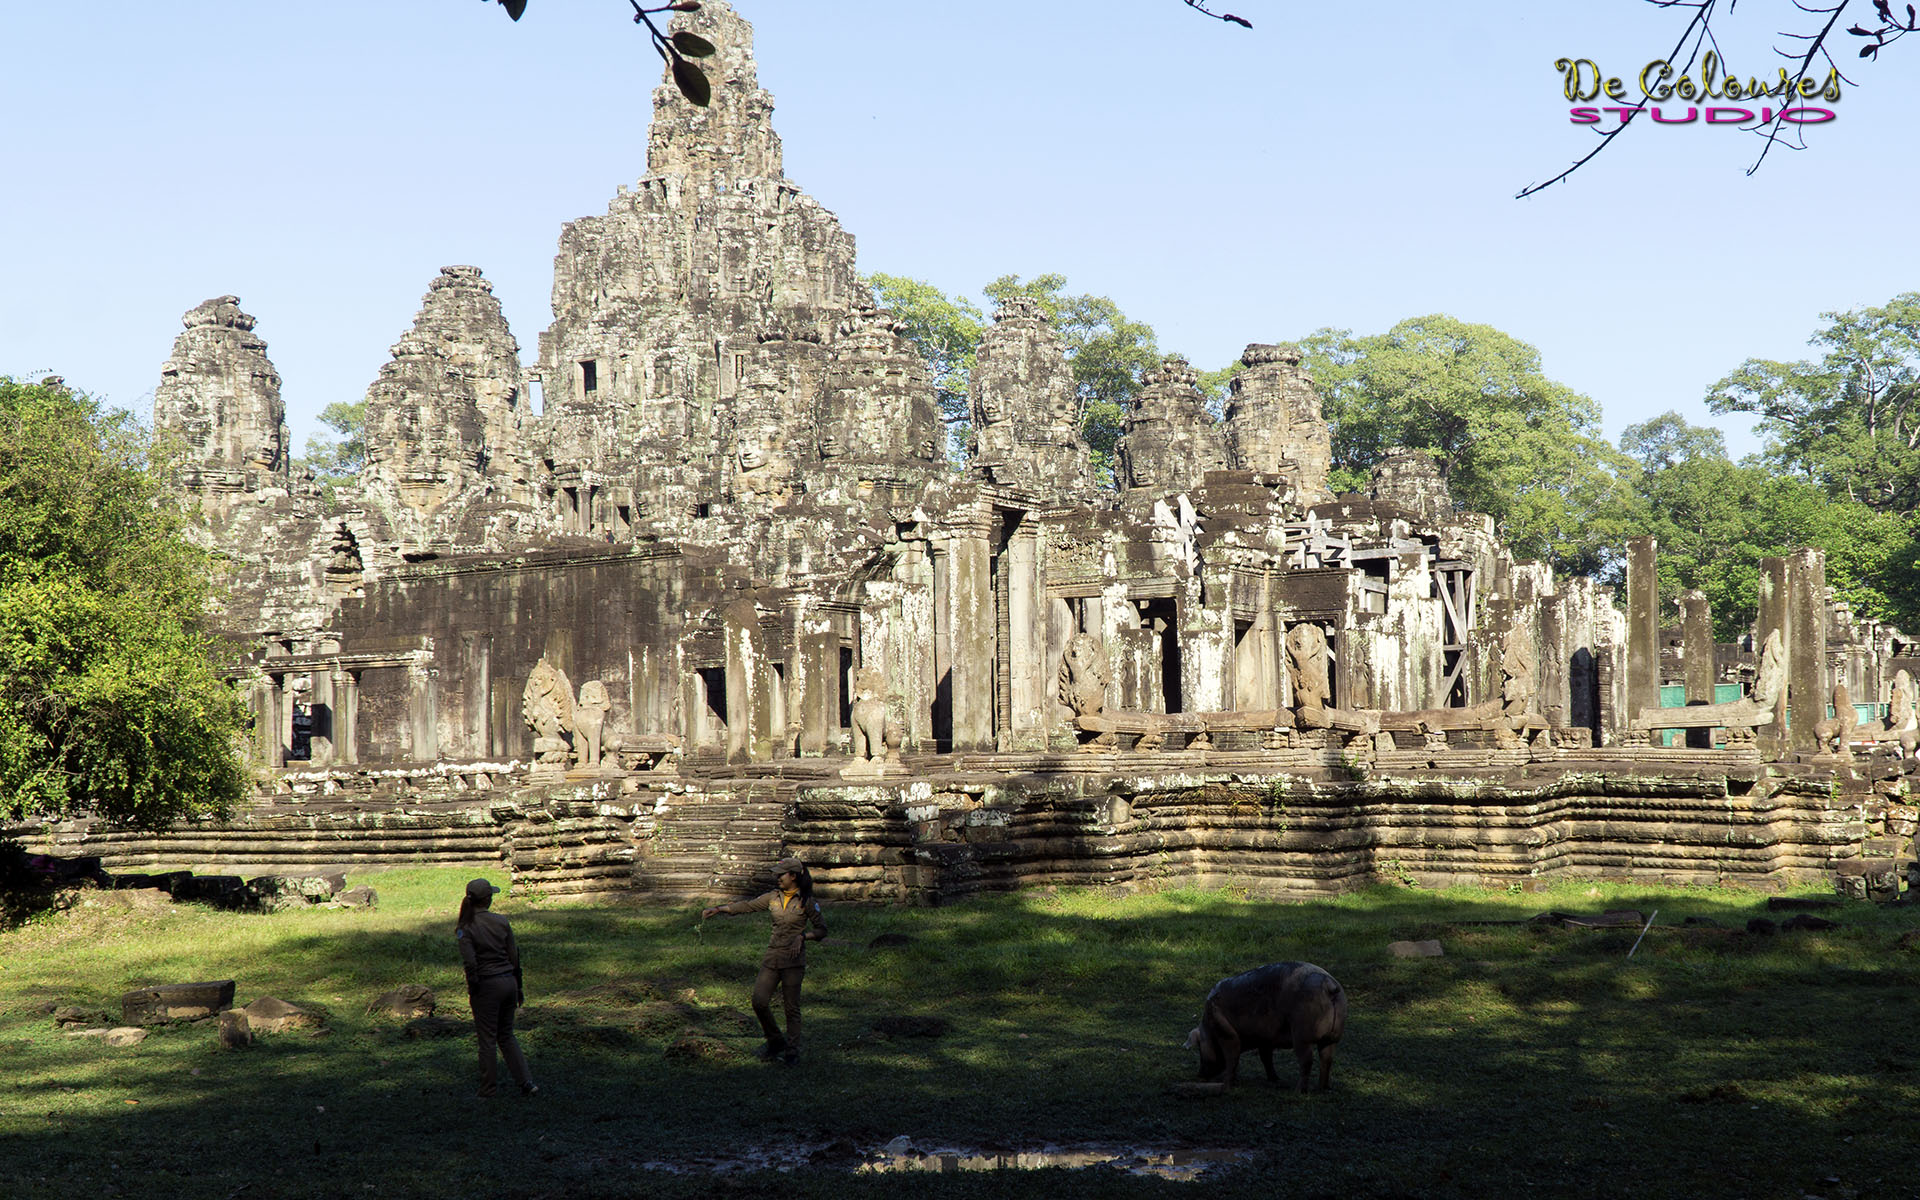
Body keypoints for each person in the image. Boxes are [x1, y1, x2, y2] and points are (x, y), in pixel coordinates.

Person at [702, 857, 827, 1064]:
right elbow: (748, 906)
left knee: (791, 1007)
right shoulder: (773, 897)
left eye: (781, 874)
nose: (777, 878)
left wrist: (803, 936)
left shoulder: (807, 901)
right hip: (772, 957)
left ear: (793, 876)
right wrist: (719, 909)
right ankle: (775, 1041)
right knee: (759, 1001)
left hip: (794, 961)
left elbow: (822, 930)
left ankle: (792, 1051)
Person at [456, 877, 538, 1098]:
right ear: (488, 899)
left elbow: (470, 962)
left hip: (487, 984)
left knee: (487, 1039)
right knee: (507, 1035)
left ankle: (488, 1088)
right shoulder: (501, 921)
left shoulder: (465, 928)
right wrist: (518, 985)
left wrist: (474, 985)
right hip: (508, 981)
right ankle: (526, 1082)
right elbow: (514, 956)